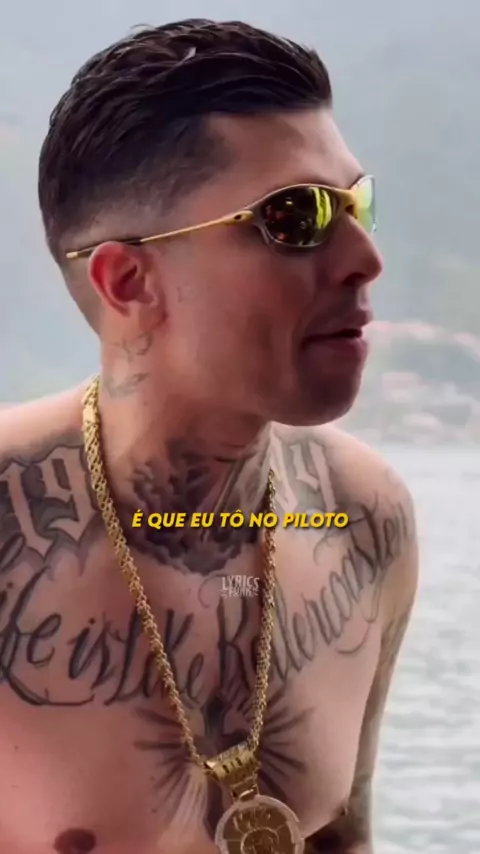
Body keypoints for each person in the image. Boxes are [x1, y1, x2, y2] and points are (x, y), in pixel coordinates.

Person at [0, 18, 419, 854]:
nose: (365, 258)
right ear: (129, 281)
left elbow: (343, 838)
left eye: (356, 205)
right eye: (295, 217)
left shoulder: (366, 517)